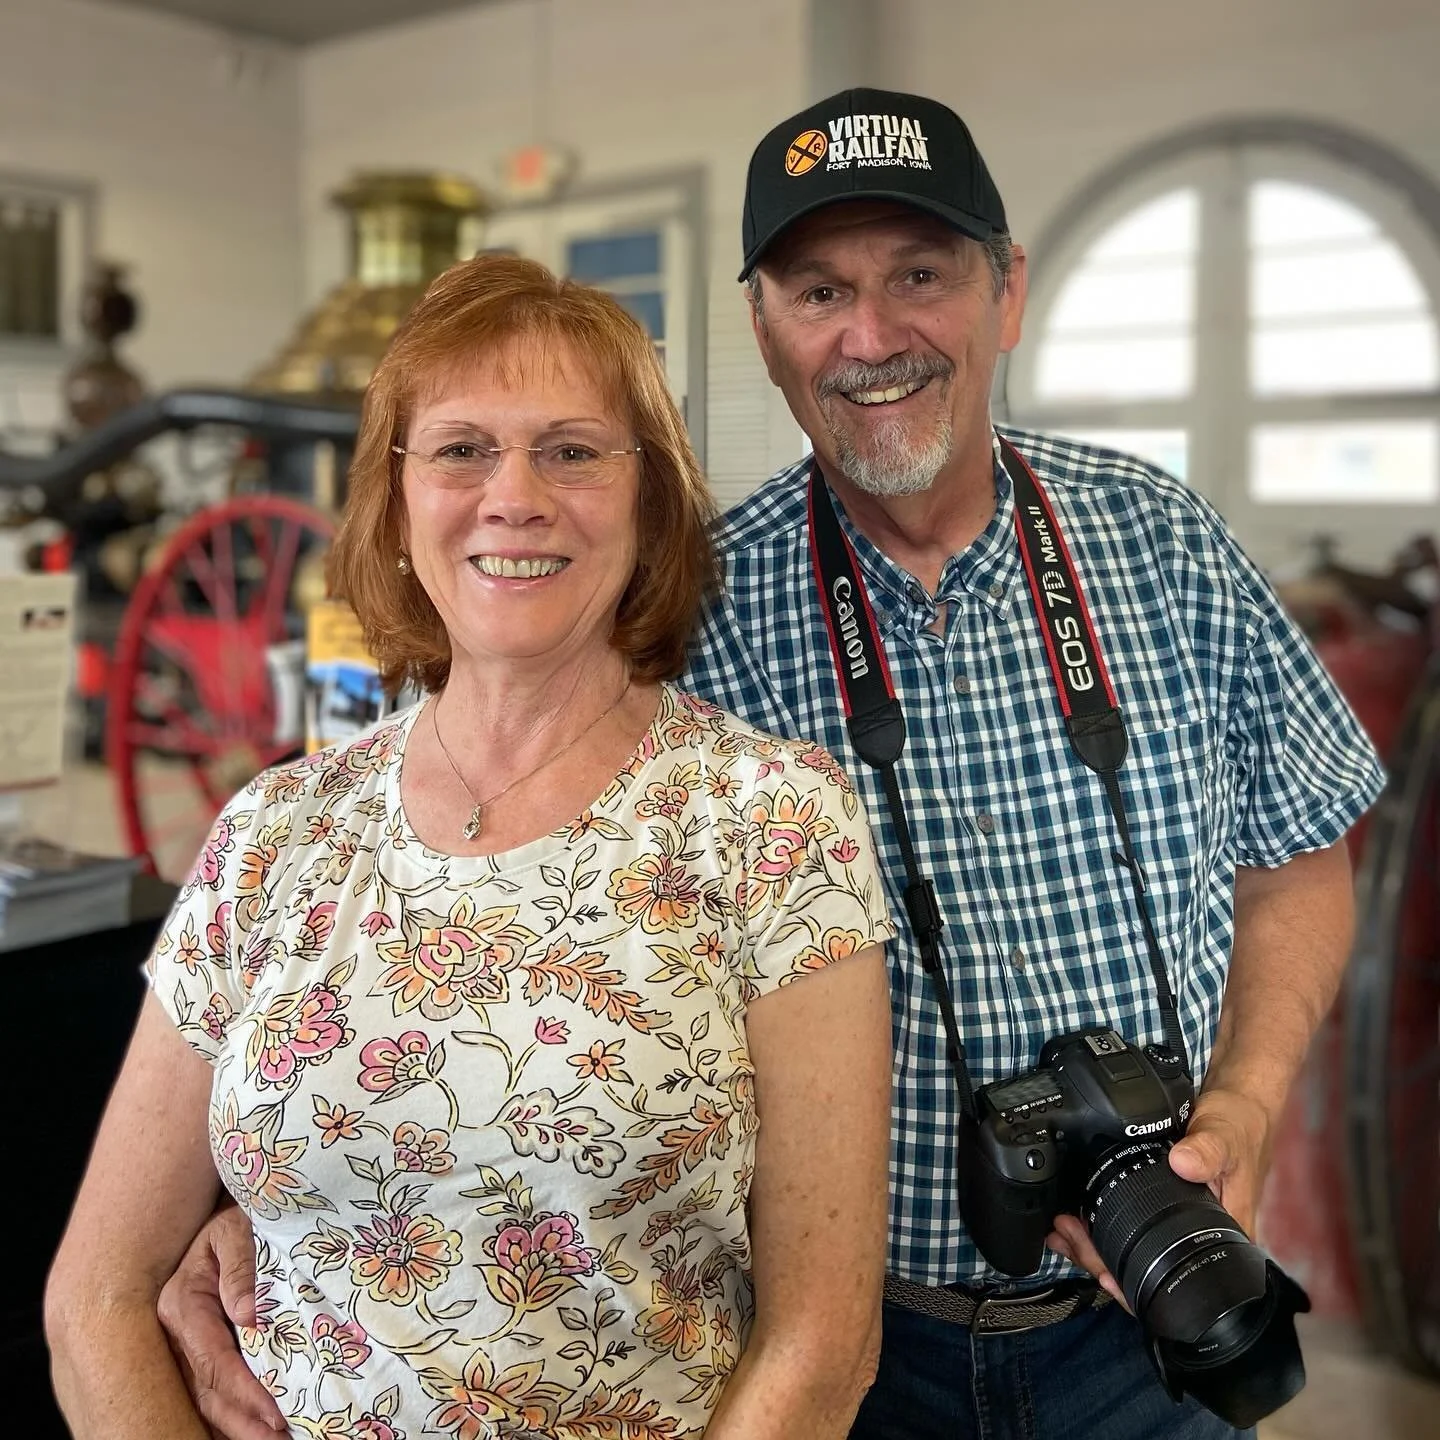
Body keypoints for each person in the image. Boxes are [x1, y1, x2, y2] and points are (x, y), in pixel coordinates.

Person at [151, 88, 1384, 1440]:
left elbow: (1300, 854)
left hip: (1161, 1310)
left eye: (920, 275)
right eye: (819, 291)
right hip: (822, 1349)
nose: (872, 336)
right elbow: (462, 883)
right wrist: (273, 1190)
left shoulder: (1161, 542)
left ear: (1009, 291)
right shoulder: (678, 613)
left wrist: (1246, 1102)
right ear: (764, 328)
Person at [44, 255, 896, 1440]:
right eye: (460, 450)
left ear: (649, 502)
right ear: (397, 504)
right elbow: (93, 1299)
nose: (515, 496)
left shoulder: (773, 819)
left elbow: (822, 1341)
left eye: (573, 450)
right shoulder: (274, 831)